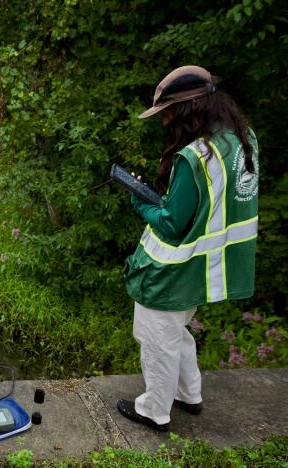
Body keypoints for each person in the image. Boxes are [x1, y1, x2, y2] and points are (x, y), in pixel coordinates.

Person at [119, 65, 259, 431]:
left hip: (174, 267)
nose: (164, 121)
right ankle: (189, 394)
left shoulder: (195, 156)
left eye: (167, 112)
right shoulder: (240, 141)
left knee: (157, 338)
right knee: (177, 331)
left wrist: (140, 203)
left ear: (186, 109)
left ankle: (154, 410)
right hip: (206, 264)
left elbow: (170, 221)